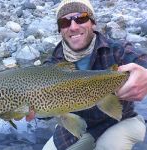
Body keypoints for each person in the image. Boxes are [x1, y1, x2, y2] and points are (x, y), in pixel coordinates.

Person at [26, 0, 147, 149]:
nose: (73, 27)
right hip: (76, 126)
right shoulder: (52, 67)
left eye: (81, 18)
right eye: (65, 22)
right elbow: (49, 113)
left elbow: (142, 61)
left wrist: (144, 74)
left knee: (109, 146)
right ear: (60, 30)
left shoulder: (117, 49)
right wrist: (36, 111)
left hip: (120, 119)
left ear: (93, 23)